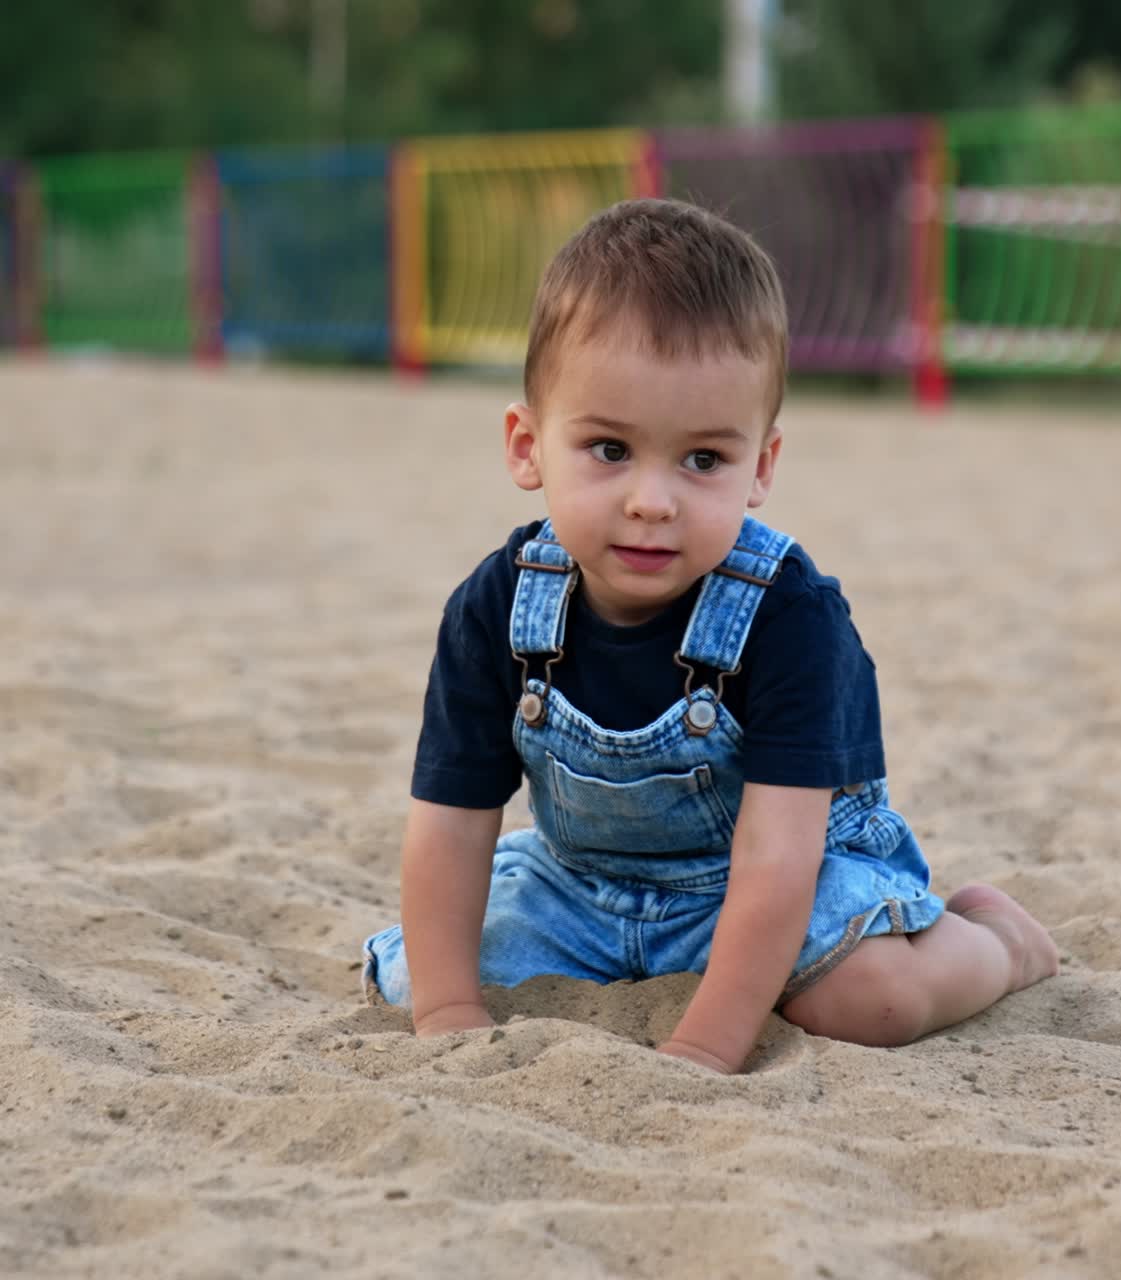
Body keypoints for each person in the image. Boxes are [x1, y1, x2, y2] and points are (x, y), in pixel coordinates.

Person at [361, 198, 1057, 1074]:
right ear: (527, 445)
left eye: (703, 461)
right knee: (414, 974)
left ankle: (998, 942)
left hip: (770, 884)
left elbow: (778, 857)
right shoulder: (495, 609)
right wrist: (449, 1013)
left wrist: (709, 1044)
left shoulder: (791, 618)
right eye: (610, 449)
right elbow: (453, 825)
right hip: (577, 890)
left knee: (870, 1001)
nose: (653, 500)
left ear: (760, 467)